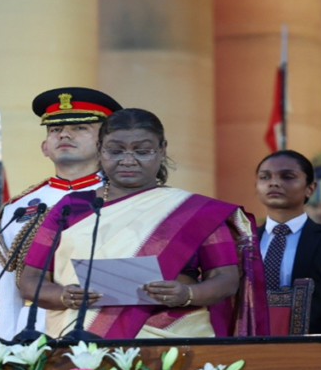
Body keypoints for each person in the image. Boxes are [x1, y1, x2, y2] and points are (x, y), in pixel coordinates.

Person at [19, 108, 268, 339]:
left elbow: (226, 279)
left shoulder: (195, 211)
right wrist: (63, 296)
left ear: (162, 150)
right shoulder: (71, 207)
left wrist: (187, 294)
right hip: (81, 338)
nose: (128, 160)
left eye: (142, 151)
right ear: (100, 149)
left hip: (174, 335)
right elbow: (31, 280)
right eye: (116, 151)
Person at [0, 87, 122, 340]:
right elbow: (7, 290)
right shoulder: (17, 208)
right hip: (34, 330)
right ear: (44, 147)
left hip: (104, 326)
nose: (64, 134)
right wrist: (6, 347)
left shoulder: (125, 197)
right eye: (55, 130)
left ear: (105, 142)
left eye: (80, 128)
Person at [255, 150, 321, 334]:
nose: (274, 182)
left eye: (287, 176)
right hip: (249, 345)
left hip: (315, 349)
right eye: (265, 177)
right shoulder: (241, 241)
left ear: (310, 188)